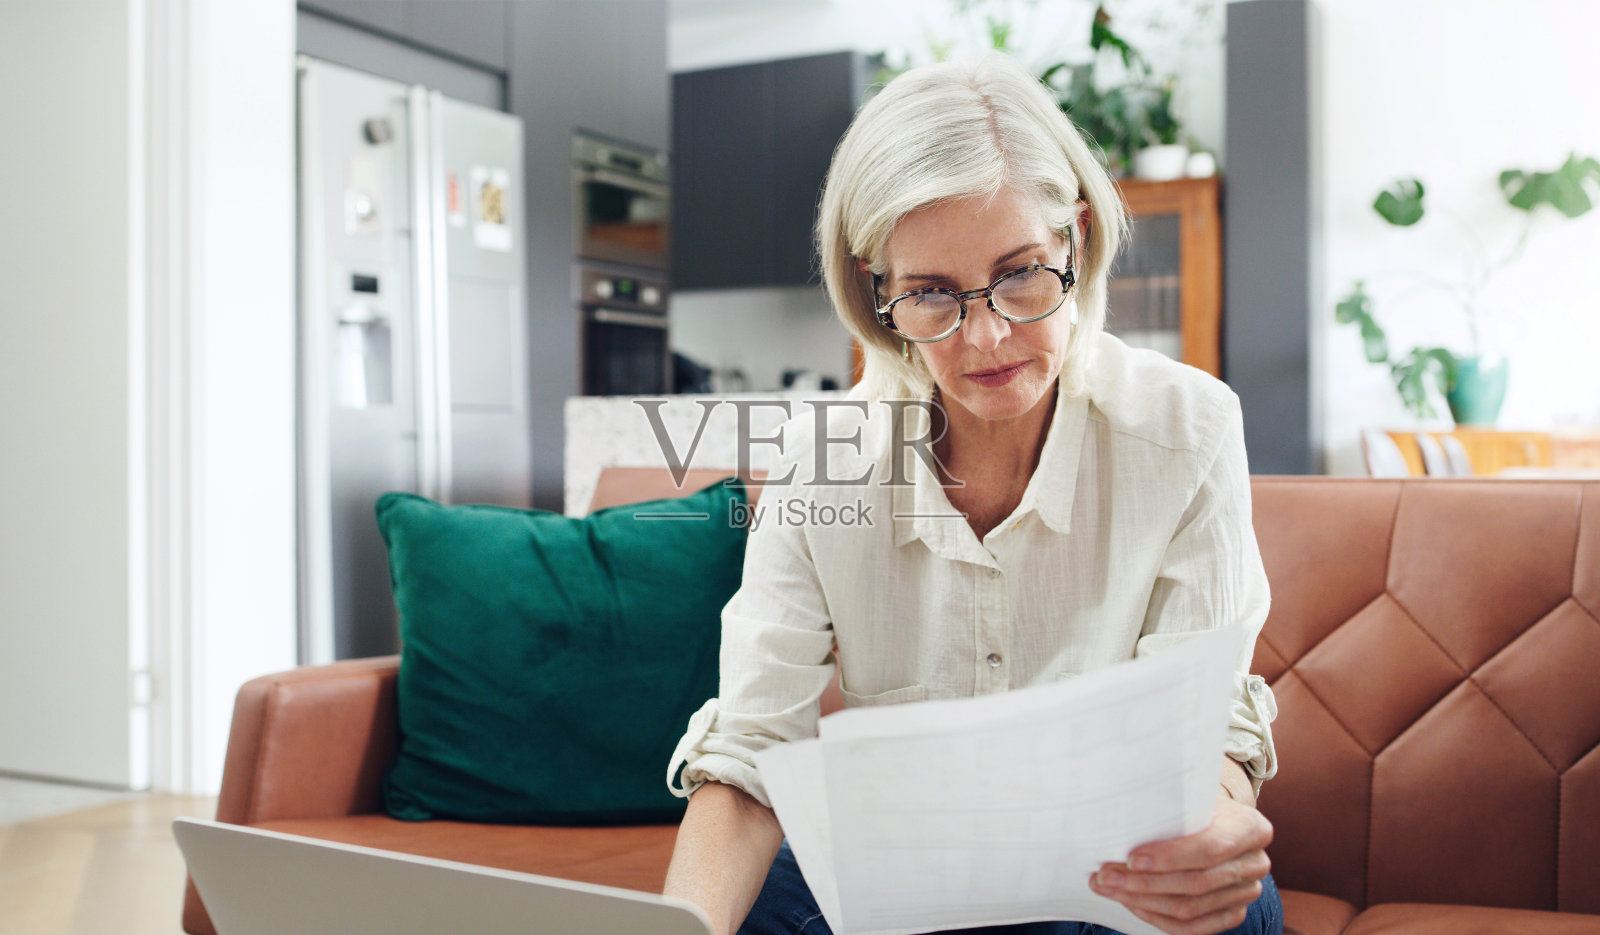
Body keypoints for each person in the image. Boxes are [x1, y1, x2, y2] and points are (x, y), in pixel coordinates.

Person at [662, 53, 1282, 935]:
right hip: (902, 864)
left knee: (1237, 910)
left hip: (1116, 864)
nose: (986, 336)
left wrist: (1213, 818)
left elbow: (1208, 718)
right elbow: (754, 748)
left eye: (1021, 273)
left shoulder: (1188, 429)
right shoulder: (818, 462)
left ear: (1073, 239)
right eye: (930, 294)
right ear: (879, 297)